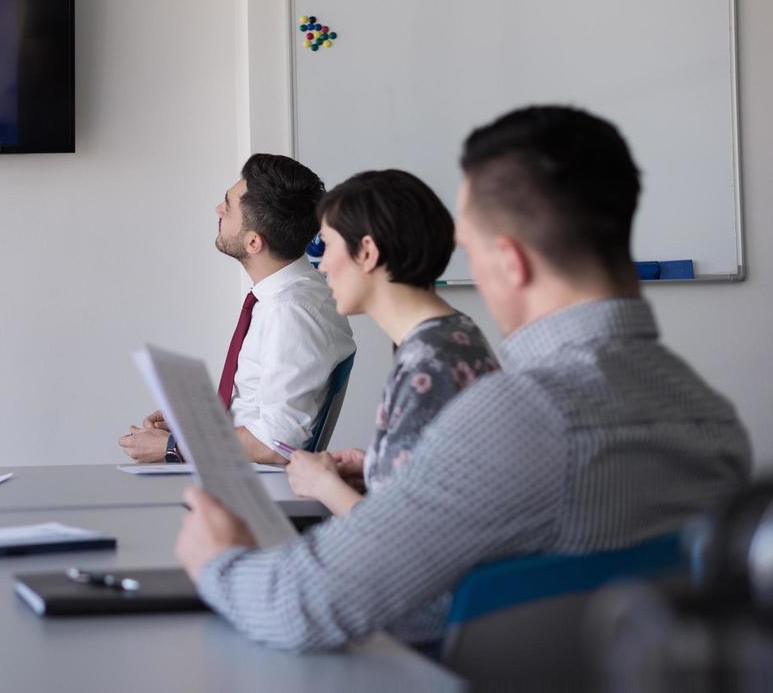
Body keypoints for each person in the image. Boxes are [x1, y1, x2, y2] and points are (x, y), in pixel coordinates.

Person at [174, 106, 751, 651]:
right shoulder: (714, 418)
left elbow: (300, 604)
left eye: (470, 250)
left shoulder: (513, 415)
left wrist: (216, 560)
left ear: (511, 260)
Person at [285, 169, 499, 518]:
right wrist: (378, 467)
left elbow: (398, 534)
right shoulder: (453, 333)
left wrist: (323, 485)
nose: (321, 265)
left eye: (328, 245)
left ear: (366, 252)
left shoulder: (430, 362)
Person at [120, 154, 354, 465]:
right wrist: (199, 427)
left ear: (254, 242)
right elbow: (260, 410)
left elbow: (276, 443)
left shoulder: (291, 313)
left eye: (227, 206)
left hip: (253, 493)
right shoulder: (286, 296)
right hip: (236, 473)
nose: (218, 210)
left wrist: (177, 445)